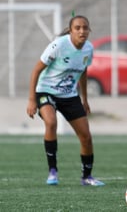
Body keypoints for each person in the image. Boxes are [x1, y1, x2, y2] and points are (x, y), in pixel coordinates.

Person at [26, 15, 104, 186]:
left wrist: (85, 99)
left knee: (86, 136)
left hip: (69, 95)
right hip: (45, 91)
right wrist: (32, 99)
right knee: (51, 123)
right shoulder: (58, 46)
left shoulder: (88, 49)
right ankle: (52, 171)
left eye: (85, 27)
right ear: (71, 30)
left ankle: (87, 177)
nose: (82, 31)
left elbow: (84, 72)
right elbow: (35, 71)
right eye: (77, 28)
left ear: (89, 30)